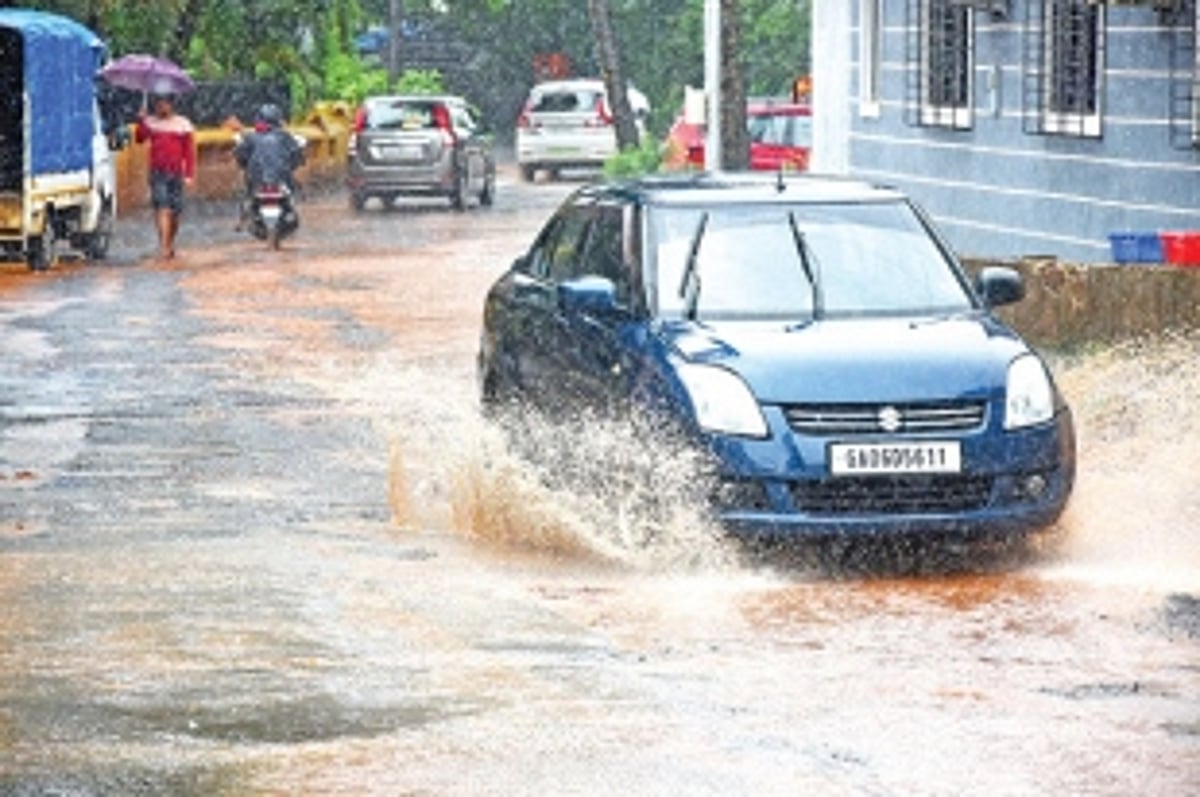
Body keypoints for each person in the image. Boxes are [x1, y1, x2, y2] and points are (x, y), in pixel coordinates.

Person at [135, 93, 195, 259]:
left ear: (171, 105)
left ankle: (169, 242)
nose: (161, 107)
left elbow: (189, 152)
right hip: (157, 172)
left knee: (175, 212)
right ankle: (163, 246)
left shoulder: (183, 124)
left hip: (176, 173)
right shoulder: (151, 123)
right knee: (162, 208)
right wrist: (141, 120)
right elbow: (140, 138)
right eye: (158, 104)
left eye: (164, 104)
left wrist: (189, 174)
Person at [233, 103, 305, 228]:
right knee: (291, 193)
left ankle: (241, 220)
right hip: (281, 177)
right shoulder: (285, 136)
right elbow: (296, 156)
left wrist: (245, 165)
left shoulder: (251, 136)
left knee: (248, 195)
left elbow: (241, 156)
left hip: (256, 178)